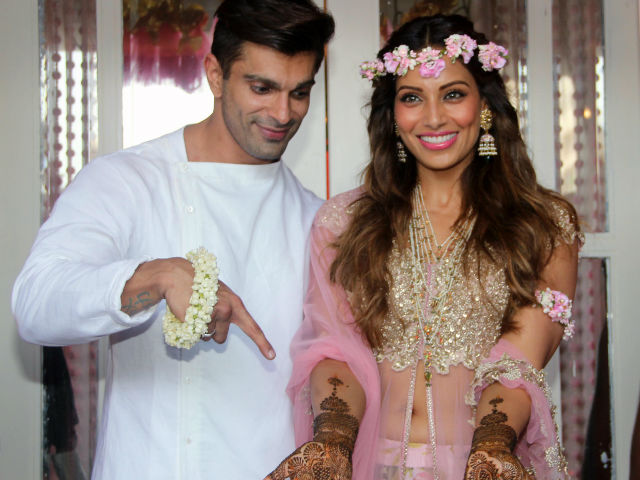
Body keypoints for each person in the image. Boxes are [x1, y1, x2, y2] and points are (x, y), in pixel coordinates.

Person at [12, 0, 334, 478]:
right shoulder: (127, 180)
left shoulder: (317, 219)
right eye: (262, 88)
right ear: (215, 75)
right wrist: (155, 277)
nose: (283, 112)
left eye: (300, 92)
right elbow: (35, 304)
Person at [266, 14, 581, 480]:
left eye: (453, 94)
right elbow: (334, 350)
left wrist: (492, 448)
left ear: (485, 105)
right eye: (412, 98)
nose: (433, 118)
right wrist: (332, 438)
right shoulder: (344, 223)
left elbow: (518, 362)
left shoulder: (543, 227)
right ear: (393, 115)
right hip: (369, 466)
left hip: (481, 469)